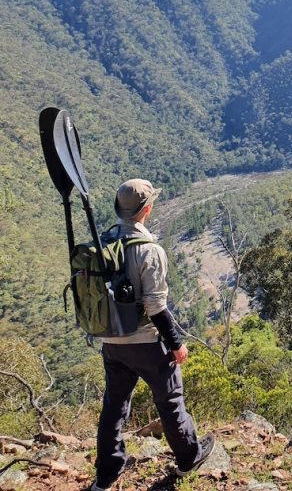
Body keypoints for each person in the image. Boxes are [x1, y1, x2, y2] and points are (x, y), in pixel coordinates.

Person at [91, 179, 214, 491]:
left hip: (112, 340)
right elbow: (156, 306)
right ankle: (189, 459)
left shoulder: (104, 242)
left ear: (120, 209)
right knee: (170, 400)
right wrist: (176, 344)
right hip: (146, 343)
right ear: (147, 209)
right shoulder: (149, 250)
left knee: (114, 405)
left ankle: (106, 473)